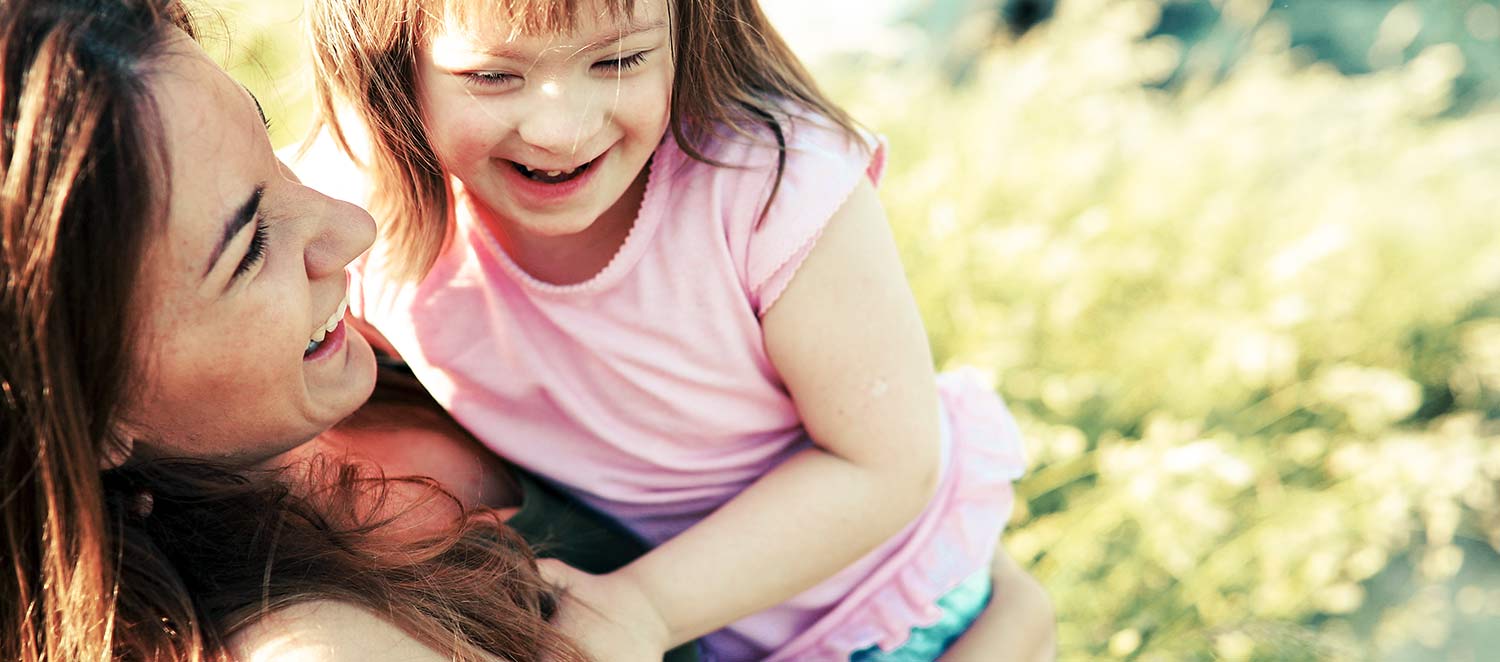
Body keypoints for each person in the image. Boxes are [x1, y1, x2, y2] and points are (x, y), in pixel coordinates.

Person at [1, 1, 1055, 660]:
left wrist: (645, 605)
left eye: (620, 59)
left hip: (883, 608)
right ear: (394, 69)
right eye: (491, 75)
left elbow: (886, 461)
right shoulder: (388, 193)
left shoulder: (769, 185)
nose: (559, 124)